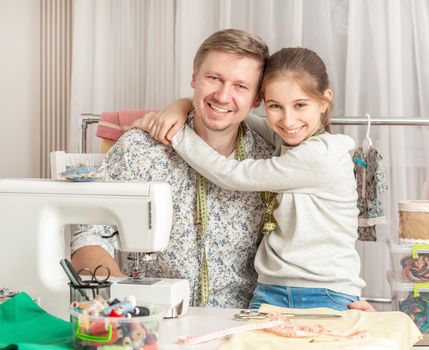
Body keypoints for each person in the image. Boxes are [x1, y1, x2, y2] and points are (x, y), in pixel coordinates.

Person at [133, 47, 370, 311]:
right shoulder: (293, 140)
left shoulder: (321, 155)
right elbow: (236, 117)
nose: (287, 119)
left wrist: (176, 133)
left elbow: (229, 174)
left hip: (323, 291)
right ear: (262, 102)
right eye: (275, 106)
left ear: (325, 100)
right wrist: (184, 105)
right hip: (271, 290)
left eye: (300, 105)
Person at [71, 29, 275, 308]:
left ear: (256, 99)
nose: (223, 95)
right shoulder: (140, 148)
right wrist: (124, 303)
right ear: (194, 78)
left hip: (241, 325)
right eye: (214, 78)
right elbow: (90, 236)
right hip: (153, 318)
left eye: (241, 86)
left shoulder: (269, 164)